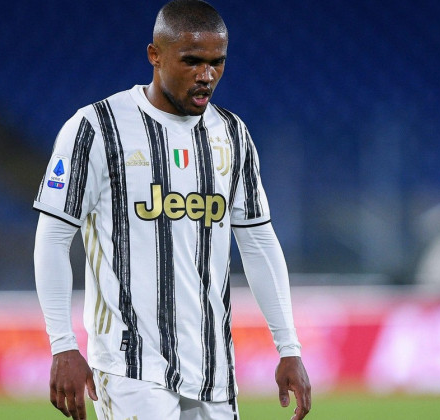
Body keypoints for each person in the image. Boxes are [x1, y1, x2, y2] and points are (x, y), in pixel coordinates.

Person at [32, 1, 311, 419]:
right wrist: (62, 345)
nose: (207, 75)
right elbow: (53, 237)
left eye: (217, 62)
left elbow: (258, 242)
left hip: (214, 369)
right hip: (131, 365)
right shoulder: (97, 128)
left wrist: (288, 346)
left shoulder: (232, 134)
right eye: (192, 61)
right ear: (155, 55)